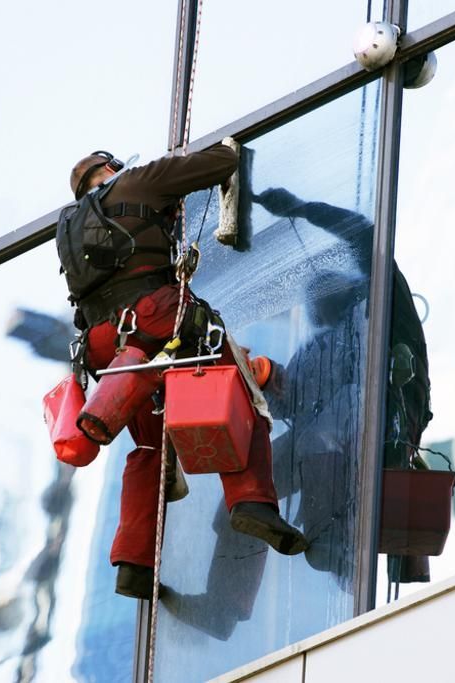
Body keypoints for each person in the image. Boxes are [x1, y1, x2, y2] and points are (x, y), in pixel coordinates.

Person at [62, 143, 308, 601]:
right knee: (233, 392)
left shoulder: (70, 227)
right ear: (109, 170)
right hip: (156, 315)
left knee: (152, 445)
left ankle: (133, 563)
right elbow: (220, 161)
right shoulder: (134, 183)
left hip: (106, 348)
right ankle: (251, 500)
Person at [253, 187, 436, 585]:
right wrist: (267, 378)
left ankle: (333, 540)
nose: (316, 300)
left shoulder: (383, 302)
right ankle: (229, 598)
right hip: (335, 434)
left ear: (347, 283)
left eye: (323, 290)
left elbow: (362, 234)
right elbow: (291, 400)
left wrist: (304, 208)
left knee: (321, 434)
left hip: (387, 415)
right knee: (257, 469)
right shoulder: (321, 347)